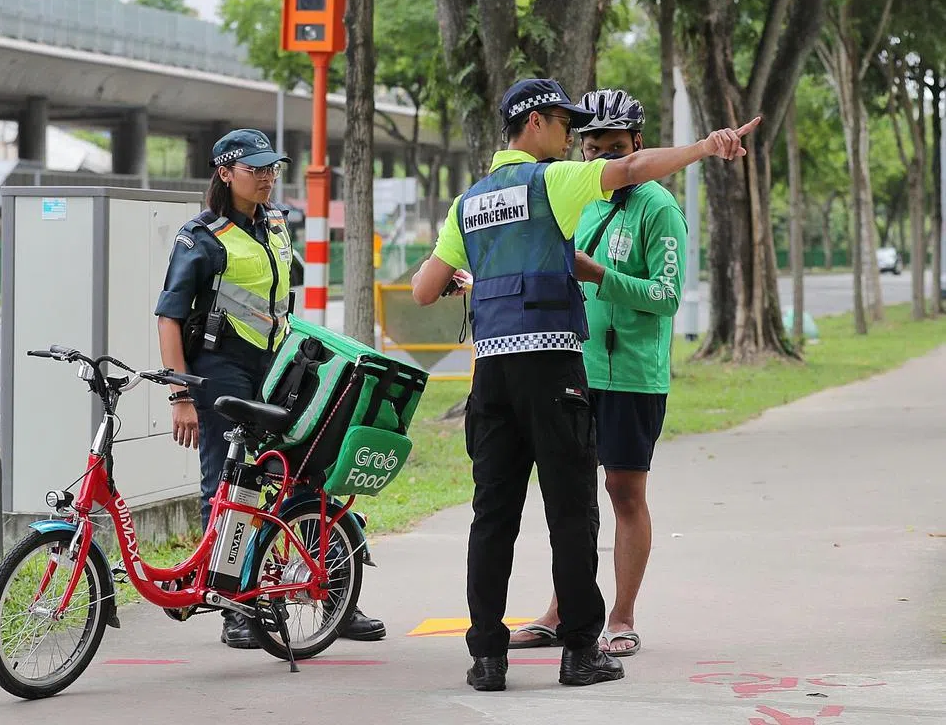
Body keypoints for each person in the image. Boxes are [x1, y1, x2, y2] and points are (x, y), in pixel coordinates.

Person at [410, 78, 758, 692]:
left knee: (492, 515)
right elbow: (634, 168)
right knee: (572, 513)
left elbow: (422, 289)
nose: (574, 139)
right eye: (567, 125)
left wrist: (482, 273)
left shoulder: (469, 202)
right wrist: (705, 147)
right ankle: (580, 653)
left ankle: (487, 658)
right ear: (537, 122)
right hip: (552, 367)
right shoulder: (554, 180)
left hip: (491, 375)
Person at [154, 128, 386, 649]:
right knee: (230, 482)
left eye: (271, 168)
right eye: (254, 168)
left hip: (279, 364)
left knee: (307, 468)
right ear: (224, 172)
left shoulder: (277, 222)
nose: (265, 176)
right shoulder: (201, 237)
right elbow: (169, 319)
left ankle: (333, 597)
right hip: (219, 367)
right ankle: (234, 607)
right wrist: (181, 396)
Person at [507, 88, 687, 659]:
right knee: (571, 495)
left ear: (637, 144)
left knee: (623, 491)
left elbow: (666, 296)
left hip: (633, 374)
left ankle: (623, 616)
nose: (606, 159)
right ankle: (563, 611)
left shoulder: (660, 208)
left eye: (617, 147)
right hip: (574, 367)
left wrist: (598, 275)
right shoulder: (580, 201)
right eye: (595, 150)